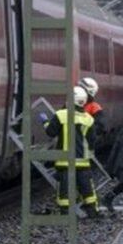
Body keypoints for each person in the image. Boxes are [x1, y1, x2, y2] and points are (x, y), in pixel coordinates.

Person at [43, 86, 100, 218]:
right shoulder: (89, 119)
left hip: (66, 161)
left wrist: (45, 121)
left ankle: (66, 214)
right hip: (83, 162)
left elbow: (50, 132)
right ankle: (92, 212)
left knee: (65, 190)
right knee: (87, 189)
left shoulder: (61, 115)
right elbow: (92, 141)